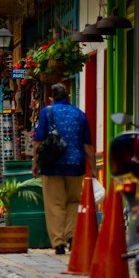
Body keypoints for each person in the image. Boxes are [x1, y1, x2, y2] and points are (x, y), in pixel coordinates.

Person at [32, 82, 95, 255]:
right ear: (68, 96)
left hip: (52, 165)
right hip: (76, 165)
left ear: (51, 97)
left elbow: (38, 141)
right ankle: (72, 237)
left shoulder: (48, 112)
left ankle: (58, 242)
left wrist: (35, 163)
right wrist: (93, 167)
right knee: (73, 202)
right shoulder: (79, 114)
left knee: (54, 204)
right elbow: (88, 144)